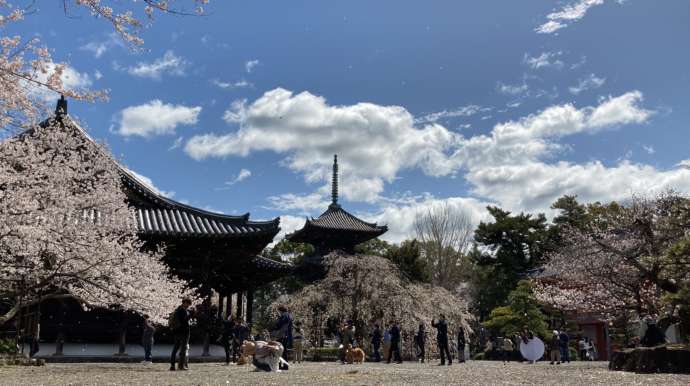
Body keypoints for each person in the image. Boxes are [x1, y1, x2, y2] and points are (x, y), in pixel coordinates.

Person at [170, 297, 193, 371]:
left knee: (175, 349)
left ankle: (172, 366)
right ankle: (181, 366)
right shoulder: (182, 310)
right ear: (185, 303)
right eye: (188, 304)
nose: (188, 306)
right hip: (183, 332)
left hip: (176, 332)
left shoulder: (177, 310)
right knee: (183, 349)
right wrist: (191, 315)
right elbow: (184, 321)